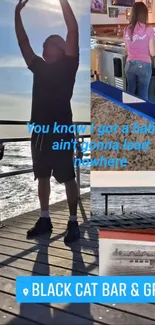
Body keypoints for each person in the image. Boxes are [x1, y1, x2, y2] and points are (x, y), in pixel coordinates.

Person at [15, 0, 80, 243]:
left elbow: (73, 29)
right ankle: (45, 218)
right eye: (43, 44)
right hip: (40, 132)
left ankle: (73, 223)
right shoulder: (39, 67)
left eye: (48, 42)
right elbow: (23, 42)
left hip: (61, 130)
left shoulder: (69, 64)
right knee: (42, 176)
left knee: (68, 177)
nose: (42, 45)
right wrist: (16, 13)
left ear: (61, 48)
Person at [124, 1, 155, 100]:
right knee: (143, 94)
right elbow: (152, 53)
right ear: (144, 14)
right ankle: (141, 115)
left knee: (130, 91)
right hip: (144, 66)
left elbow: (127, 49)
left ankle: (128, 113)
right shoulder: (149, 29)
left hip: (129, 64)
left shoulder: (127, 29)